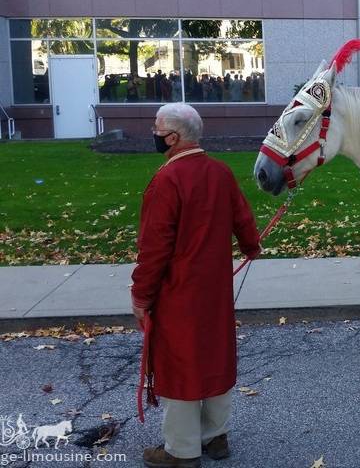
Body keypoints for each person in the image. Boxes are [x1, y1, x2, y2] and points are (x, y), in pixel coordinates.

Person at [132, 103, 260, 468]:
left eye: (157, 128)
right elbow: (243, 216)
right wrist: (251, 246)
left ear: (173, 137)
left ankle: (181, 450)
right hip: (215, 290)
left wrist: (141, 294)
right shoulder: (220, 172)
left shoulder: (167, 181)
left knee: (180, 362)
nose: (154, 133)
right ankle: (215, 436)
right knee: (214, 355)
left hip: (178, 291)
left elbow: (153, 248)